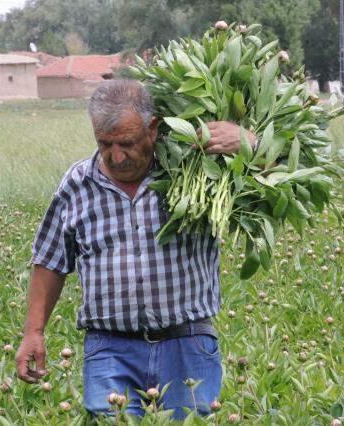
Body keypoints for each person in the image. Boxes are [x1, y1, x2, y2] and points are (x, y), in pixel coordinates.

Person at [15, 79, 257, 420]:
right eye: (105, 143)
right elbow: (50, 261)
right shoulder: (77, 184)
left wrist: (251, 144)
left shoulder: (195, 172)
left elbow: (274, 193)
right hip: (109, 347)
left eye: (127, 143)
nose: (116, 155)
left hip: (186, 342)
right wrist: (33, 333)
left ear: (153, 129)